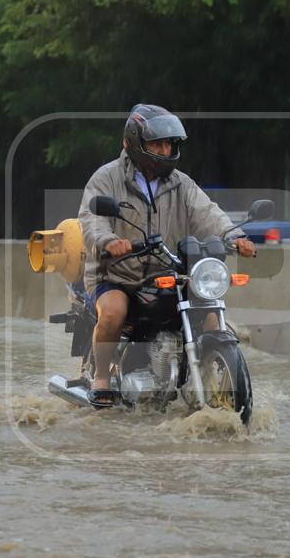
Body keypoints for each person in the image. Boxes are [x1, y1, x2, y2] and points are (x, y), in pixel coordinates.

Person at [78, 104, 256, 406]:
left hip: (167, 271)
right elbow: (90, 217)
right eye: (156, 143)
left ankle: (210, 382)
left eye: (169, 144)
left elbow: (207, 212)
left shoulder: (181, 183)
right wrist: (108, 241)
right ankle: (102, 378)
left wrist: (234, 236)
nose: (164, 149)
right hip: (117, 274)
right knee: (113, 312)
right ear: (134, 142)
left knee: (210, 315)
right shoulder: (106, 178)